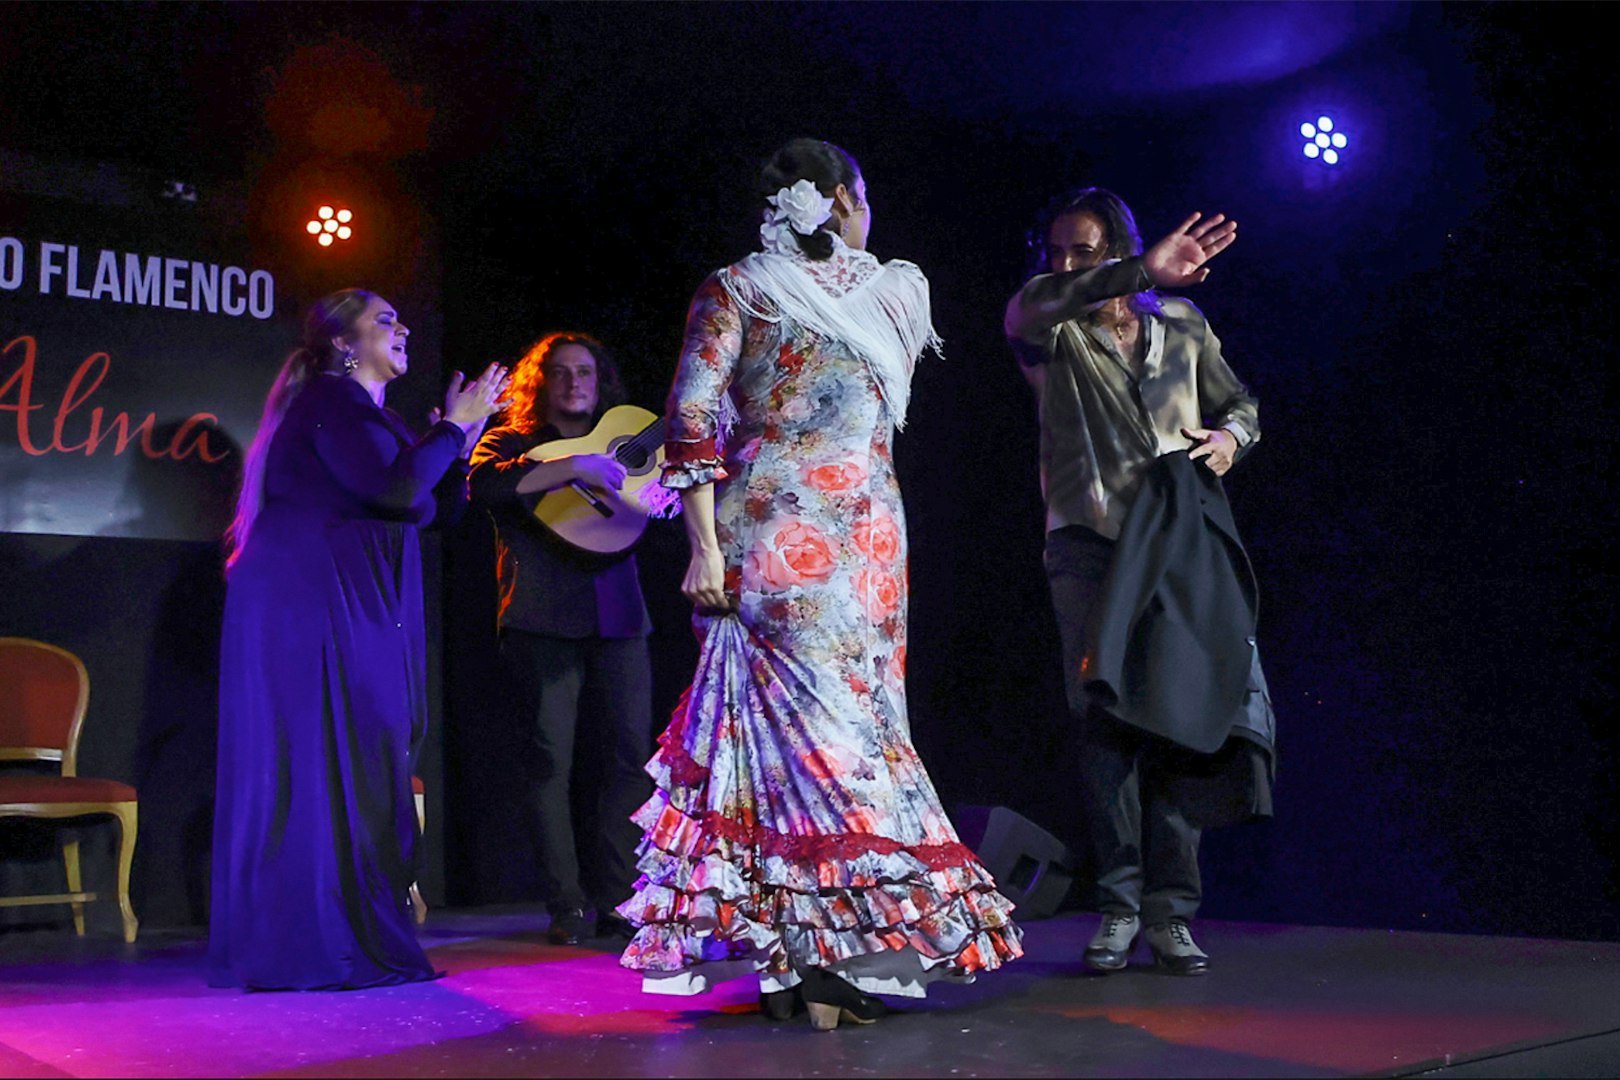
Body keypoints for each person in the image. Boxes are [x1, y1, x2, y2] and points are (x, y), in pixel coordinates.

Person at [617, 139, 1023, 1031]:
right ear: (843, 198)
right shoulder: (892, 291)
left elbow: (692, 424)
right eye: (862, 196)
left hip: (782, 525)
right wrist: (708, 553)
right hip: (861, 523)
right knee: (844, 733)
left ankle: (802, 959)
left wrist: (707, 548)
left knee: (801, 740)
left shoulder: (741, 288)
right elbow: (697, 425)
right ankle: (829, 958)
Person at [210, 288, 509, 990]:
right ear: (344, 344)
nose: (403, 326)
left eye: (402, 317)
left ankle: (342, 928)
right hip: (315, 612)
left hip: (350, 607)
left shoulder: (366, 416)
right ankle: (318, 942)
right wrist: (450, 432)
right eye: (384, 320)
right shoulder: (331, 405)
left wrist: (455, 444)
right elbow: (398, 491)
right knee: (330, 763)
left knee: (366, 753)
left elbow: (433, 510)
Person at [1004, 187, 1256, 976]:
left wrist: (1229, 439)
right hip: (1090, 544)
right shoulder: (1052, 327)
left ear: (1117, 244)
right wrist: (1129, 272)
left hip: (1178, 545)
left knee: (1177, 718)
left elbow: (1240, 402)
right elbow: (1031, 307)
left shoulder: (1182, 325)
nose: (1067, 263)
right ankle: (1117, 906)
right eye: (1059, 252)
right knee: (1105, 723)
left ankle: (1171, 912)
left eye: (1086, 250)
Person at [468, 333, 655, 946]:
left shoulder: (624, 441)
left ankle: (619, 899)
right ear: (541, 383)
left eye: (586, 373)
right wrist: (571, 466)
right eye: (561, 373)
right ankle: (567, 903)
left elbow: (669, 499)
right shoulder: (509, 440)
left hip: (620, 616)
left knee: (630, 758)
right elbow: (486, 487)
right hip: (541, 619)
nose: (575, 383)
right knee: (551, 762)